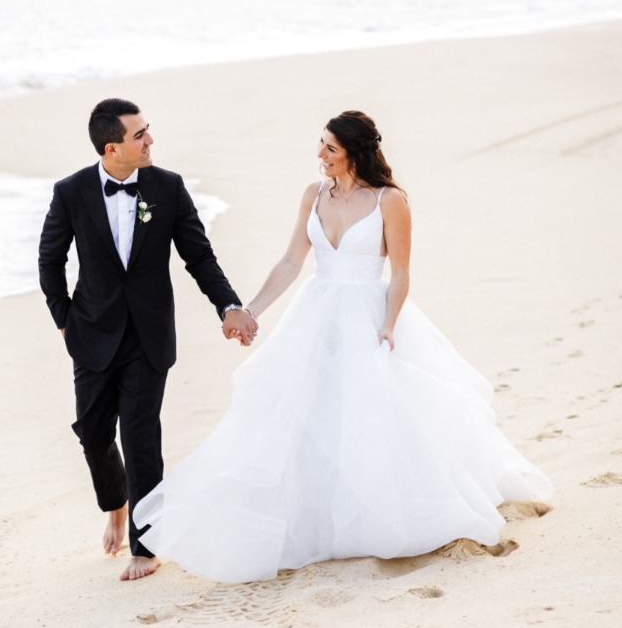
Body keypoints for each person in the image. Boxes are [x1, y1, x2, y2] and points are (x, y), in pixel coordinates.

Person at [134, 110, 552, 583]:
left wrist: (389, 325)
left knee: (373, 416)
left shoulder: (389, 201)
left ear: (355, 152)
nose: (320, 155)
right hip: (316, 313)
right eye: (321, 145)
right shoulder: (313, 195)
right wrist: (250, 310)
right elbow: (293, 259)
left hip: (368, 316)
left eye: (330, 148)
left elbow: (401, 273)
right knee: (306, 412)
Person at [38, 97, 256, 581]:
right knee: (94, 434)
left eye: (148, 131)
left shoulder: (168, 188)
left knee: (139, 434)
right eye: (140, 136)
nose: (151, 140)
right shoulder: (70, 192)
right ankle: (115, 504)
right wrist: (64, 320)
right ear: (112, 147)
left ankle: (147, 543)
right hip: (91, 332)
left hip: (149, 335)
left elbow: (199, 257)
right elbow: (49, 260)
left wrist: (229, 305)